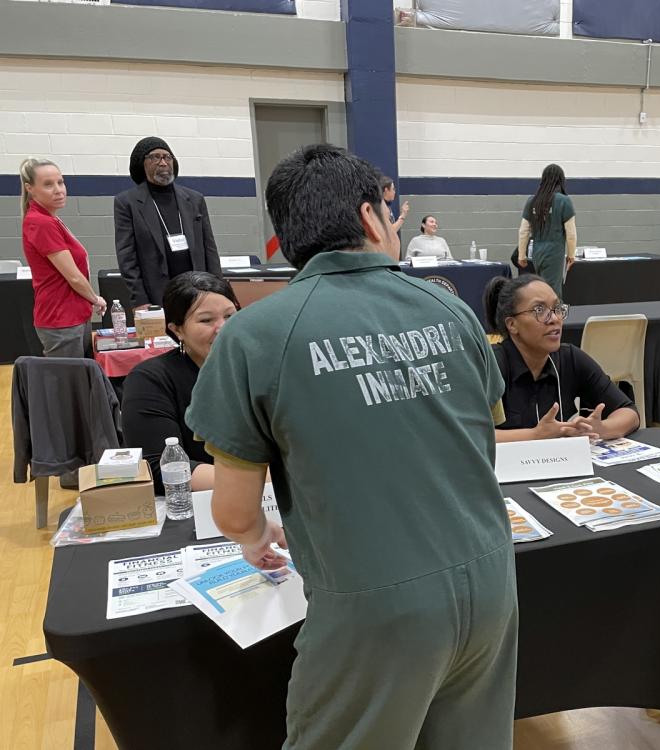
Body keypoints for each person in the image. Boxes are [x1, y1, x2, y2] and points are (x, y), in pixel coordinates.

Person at [186, 144, 517, 749]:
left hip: (374, 606)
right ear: (371, 218)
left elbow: (232, 510)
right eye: (393, 214)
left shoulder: (255, 336)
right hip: (492, 578)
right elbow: (481, 439)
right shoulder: (452, 308)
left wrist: (257, 539)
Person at [484, 274, 640, 442]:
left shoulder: (570, 358)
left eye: (557, 308)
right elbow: (469, 435)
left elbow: (628, 411)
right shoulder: (490, 365)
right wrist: (536, 435)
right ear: (512, 324)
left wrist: (601, 428)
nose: (555, 319)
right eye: (539, 310)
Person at [122, 272, 238, 494]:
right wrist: (255, 481)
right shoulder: (150, 380)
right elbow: (158, 467)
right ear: (177, 329)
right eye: (206, 320)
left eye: (230, 316)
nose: (223, 328)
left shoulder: (259, 368)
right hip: (197, 505)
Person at [114, 137, 222, 310]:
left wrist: (218, 289)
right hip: (155, 294)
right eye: (155, 157)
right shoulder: (127, 202)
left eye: (167, 157)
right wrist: (139, 299)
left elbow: (210, 249)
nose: (163, 163)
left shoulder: (194, 199)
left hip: (198, 290)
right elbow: (127, 257)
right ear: (142, 163)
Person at [20, 158, 106, 357]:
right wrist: (95, 299)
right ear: (30, 188)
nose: (58, 189)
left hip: (74, 315)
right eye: (48, 184)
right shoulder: (41, 222)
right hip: (61, 319)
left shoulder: (50, 219)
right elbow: (73, 276)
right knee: (66, 384)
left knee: (80, 382)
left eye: (61, 182)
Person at [516, 164, 577, 296]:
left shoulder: (532, 201)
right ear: (561, 180)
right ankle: (555, 316)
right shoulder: (564, 201)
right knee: (553, 293)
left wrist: (521, 255)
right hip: (554, 253)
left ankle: (544, 316)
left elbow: (524, 231)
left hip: (537, 253)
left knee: (541, 291)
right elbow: (571, 234)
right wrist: (571, 255)